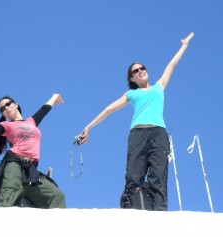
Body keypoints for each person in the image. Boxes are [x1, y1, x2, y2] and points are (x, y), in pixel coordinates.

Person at [80, 32, 194, 211]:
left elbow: (172, 64)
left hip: (159, 135)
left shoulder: (159, 86)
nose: (141, 71)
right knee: (134, 177)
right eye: (136, 71)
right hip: (138, 135)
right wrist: (88, 126)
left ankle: (160, 218)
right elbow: (109, 109)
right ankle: (130, 214)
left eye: (143, 68)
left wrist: (184, 46)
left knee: (159, 179)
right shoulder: (131, 94)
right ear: (131, 78)